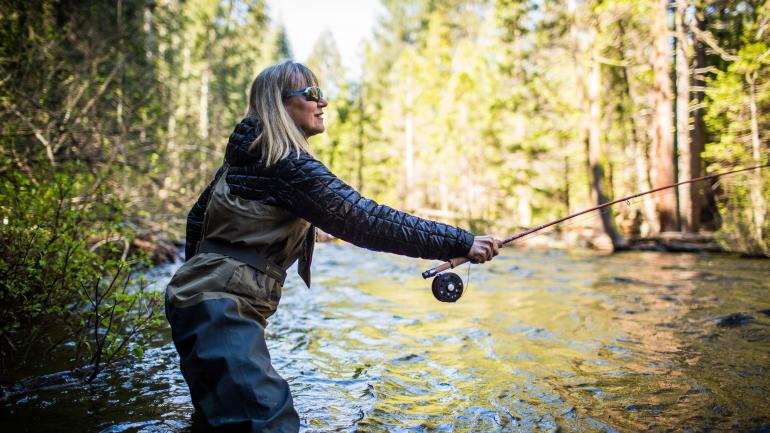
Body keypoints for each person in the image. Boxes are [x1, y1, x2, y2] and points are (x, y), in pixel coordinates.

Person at [164, 60, 501, 432]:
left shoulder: (243, 160)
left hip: (197, 306)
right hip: (217, 312)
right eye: (312, 94)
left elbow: (196, 225)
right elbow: (365, 220)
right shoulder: (284, 164)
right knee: (269, 424)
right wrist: (461, 242)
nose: (323, 102)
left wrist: (198, 290)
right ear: (280, 103)